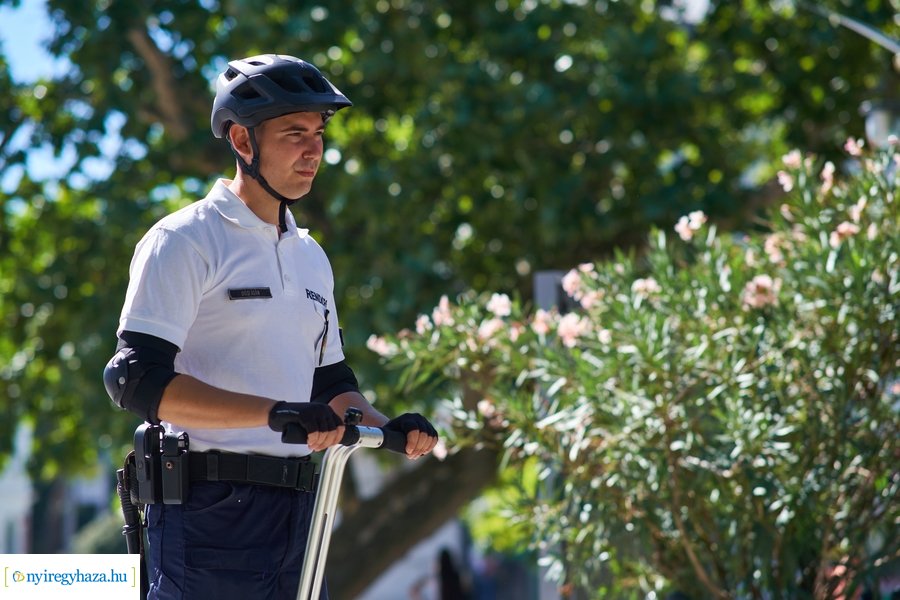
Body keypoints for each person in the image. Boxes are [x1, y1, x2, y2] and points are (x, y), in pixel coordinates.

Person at [103, 53, 438, 599]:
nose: (314, 150)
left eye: (319, 133)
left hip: (301, 513)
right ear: (241, 140)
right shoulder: (185, 239)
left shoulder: (312, 257)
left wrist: (388, 427)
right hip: (208, 516)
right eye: (294, 133)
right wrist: (273, 414)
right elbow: (136, 381)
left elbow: (329, 388)